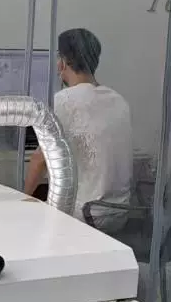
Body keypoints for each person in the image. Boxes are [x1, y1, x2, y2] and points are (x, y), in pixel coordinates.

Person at [27, 28, 133, 216]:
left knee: (31, 212)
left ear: (62, 63)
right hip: (121, 212)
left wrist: (21, 199)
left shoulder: (64, 100)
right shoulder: (119, 100)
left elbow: (39, 161)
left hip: (87, 213)